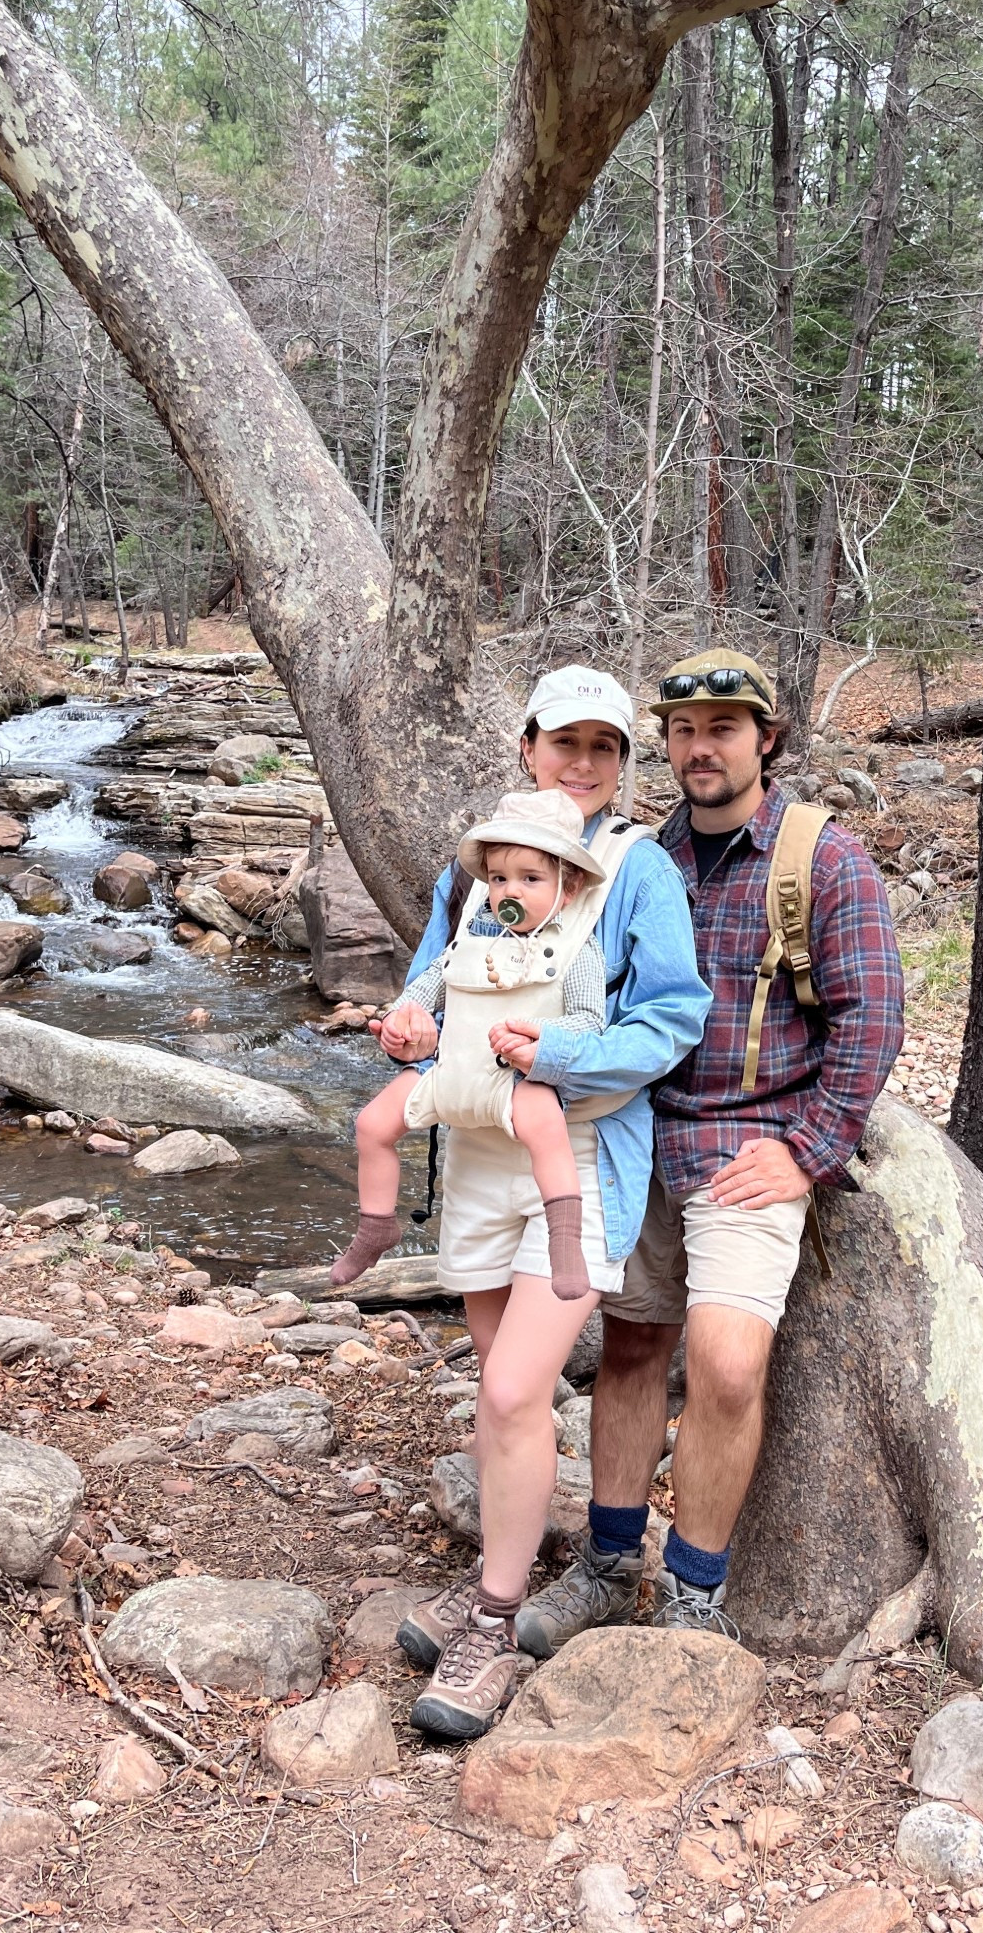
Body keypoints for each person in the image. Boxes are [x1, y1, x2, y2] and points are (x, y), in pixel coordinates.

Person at [516, 648, 904, 1653]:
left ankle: (693, 1589)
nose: (700, 747)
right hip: (640, 1134)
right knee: (634, 1345)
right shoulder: (641, 857)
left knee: (727, 1367)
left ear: (766, 739)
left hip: (753, 1145)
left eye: (724, 728)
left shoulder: (822, 858)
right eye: (684, 730)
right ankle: (606, 1565)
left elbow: (873, 1015)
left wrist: (812, 1149)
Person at [386, 666, 711, 1739]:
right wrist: (406, 1017)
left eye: (604, 748)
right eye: (563, 742)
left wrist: (562, 1049)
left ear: (623, 763)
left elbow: (672, 1019)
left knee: (522, 1384)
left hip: (582, 1155)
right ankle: (503, 1568)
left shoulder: (639, 872)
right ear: (527, 744)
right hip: (477, 1154)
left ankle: (492, 1619)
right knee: (499, 1392)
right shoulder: (478, 863)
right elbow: (436, 970)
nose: (582, 763)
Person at [331, 789, 610, 1302]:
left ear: (567, 889)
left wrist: (540, 1035)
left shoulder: (578, 945)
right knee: (372, 1123)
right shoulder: (469, 936)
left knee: (547, 1128)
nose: (511, 890)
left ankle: (565, 1242)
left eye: (531, 879)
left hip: (515, 1077)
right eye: (500, 878)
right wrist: (402, 1018)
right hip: (451, 1071)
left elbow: (591, 1020)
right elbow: (428, 986)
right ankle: (376, 1225)